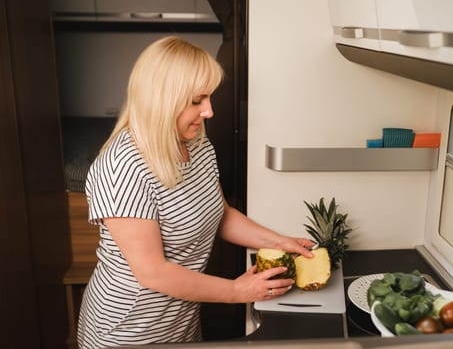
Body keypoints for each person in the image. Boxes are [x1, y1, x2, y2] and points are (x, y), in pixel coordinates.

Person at [76, 36, 314, 348]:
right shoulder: (123, 166)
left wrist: (278, 240)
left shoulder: (197, 144)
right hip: (127, 331)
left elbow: (222, 214)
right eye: (196, 101)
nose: (209, 112)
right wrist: (236, 292)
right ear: (161, 99)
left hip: (179, 326)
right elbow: (154, 273)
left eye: (209, 98)